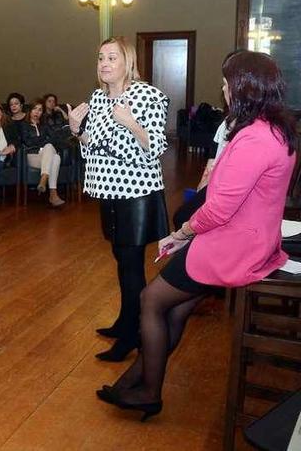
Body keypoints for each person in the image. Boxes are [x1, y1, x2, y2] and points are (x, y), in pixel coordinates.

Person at [97, 50, 297, 421]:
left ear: (243, 88)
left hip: (231, 246)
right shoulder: (274, 128)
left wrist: (182, 234)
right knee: (174, 308)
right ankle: (136, 380)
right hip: (248, 240)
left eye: (226, 83)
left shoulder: (255, 139)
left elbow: (220, 209)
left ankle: (149, 393)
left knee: (152, 300)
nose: (222, 89)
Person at [67, 36, 169, 362]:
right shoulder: (97, 98)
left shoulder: (147, 95)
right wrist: (76, 130)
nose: (105, 63)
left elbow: (155, 148)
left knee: (131, 265)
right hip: (106, 189)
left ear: (128, 62)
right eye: (100, 58)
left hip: (136, 192)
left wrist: (132, 124)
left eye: (112, 57)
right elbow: (91, 146)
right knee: (120, 259)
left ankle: (132, 335)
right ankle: (127, 320)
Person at [19, 99, 65, 207]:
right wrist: (44, 141)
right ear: (30, 110)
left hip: (45, 155)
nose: (37, 112)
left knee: (54, 155)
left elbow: (54, 139)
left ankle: (44, 179)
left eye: (40, 110)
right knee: (52, 152)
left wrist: (45, 142)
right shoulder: (23, 125)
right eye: (35, 109)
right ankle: (52, 193)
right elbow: (28, 142)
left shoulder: (44, 125)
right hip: (32, 155)